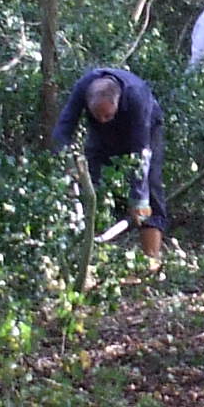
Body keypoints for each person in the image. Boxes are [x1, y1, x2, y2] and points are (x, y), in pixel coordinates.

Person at [51, 64, 167, 262]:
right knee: (92, 180)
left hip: (145, 130)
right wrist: (66, 165)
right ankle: (90, 253)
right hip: (101, 138)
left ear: (118, 102)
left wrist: (139, 198)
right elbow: (62, 130)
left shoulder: (136, 96)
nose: (104, 120)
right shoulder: (83, 88)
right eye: (98, 116)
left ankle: (151, 260)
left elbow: (141, 152)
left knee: (150, 189)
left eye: (108, 115)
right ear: (88, 104)